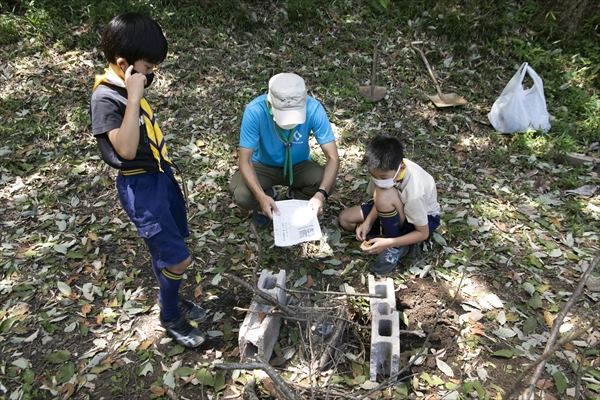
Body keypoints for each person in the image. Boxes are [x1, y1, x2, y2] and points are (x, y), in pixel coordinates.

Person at [89, 12, 206, 348]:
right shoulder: (106, 98)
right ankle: (169, 314)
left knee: (170, 247)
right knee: (178, 258)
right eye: (149, 67)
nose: (152, 73)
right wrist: (135, 96)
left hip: (159, 178)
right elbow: (125, 150)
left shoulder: (124, 86)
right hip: (141, 187)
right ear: (124, 63)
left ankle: (170, 294)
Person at [229, 73, 339, 226]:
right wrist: (260, 196)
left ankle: (295, 196)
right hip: (263, 165)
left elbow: (332, 157)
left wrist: (321, 195)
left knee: (327, 181)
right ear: (269, 104)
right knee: (243, 194)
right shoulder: (255, 111)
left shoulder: (313, 108)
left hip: (299, 165)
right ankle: (267, 197)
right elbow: (245, 160)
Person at [338, 136, 441, 274]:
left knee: (384, 195)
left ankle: (396, 246)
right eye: (374, 176)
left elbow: (423, 233)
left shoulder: (414, 192)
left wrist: (390, 243)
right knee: (345, 219)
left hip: (423, 221)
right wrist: (367, 223)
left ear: (400, 167)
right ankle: (386, 234)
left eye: (383, 177)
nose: (378, 180)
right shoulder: (382, 169)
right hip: (391, 205)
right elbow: (379, 199)